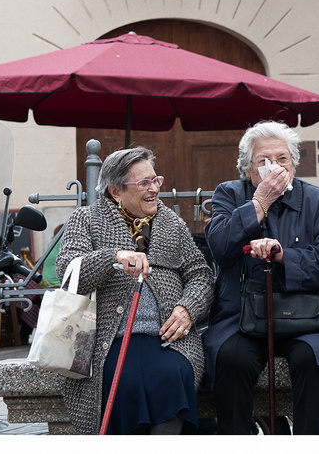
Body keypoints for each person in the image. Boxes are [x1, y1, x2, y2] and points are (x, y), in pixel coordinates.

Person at [202, 121, 319, 434]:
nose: (274, 167)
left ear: (294, 164)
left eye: (282, 159)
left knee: (311, 358)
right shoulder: (229, 194)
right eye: (263, 161)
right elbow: (220, 248)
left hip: (308, 315)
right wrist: (260, 202)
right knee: (233, 359)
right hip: (241, 316)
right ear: (247, 169)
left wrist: (283, 255)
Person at [57, 147, 212, 435]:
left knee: (173, 373)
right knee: (121, 380)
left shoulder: (172, 224)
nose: (154, 189)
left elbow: (200, 275)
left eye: (155, 180)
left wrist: (187, 308)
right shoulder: (87, 219)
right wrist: (113, 257)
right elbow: (68, 271)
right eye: (143, 183)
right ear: (116, 191)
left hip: (167, 338)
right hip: (108, 339)